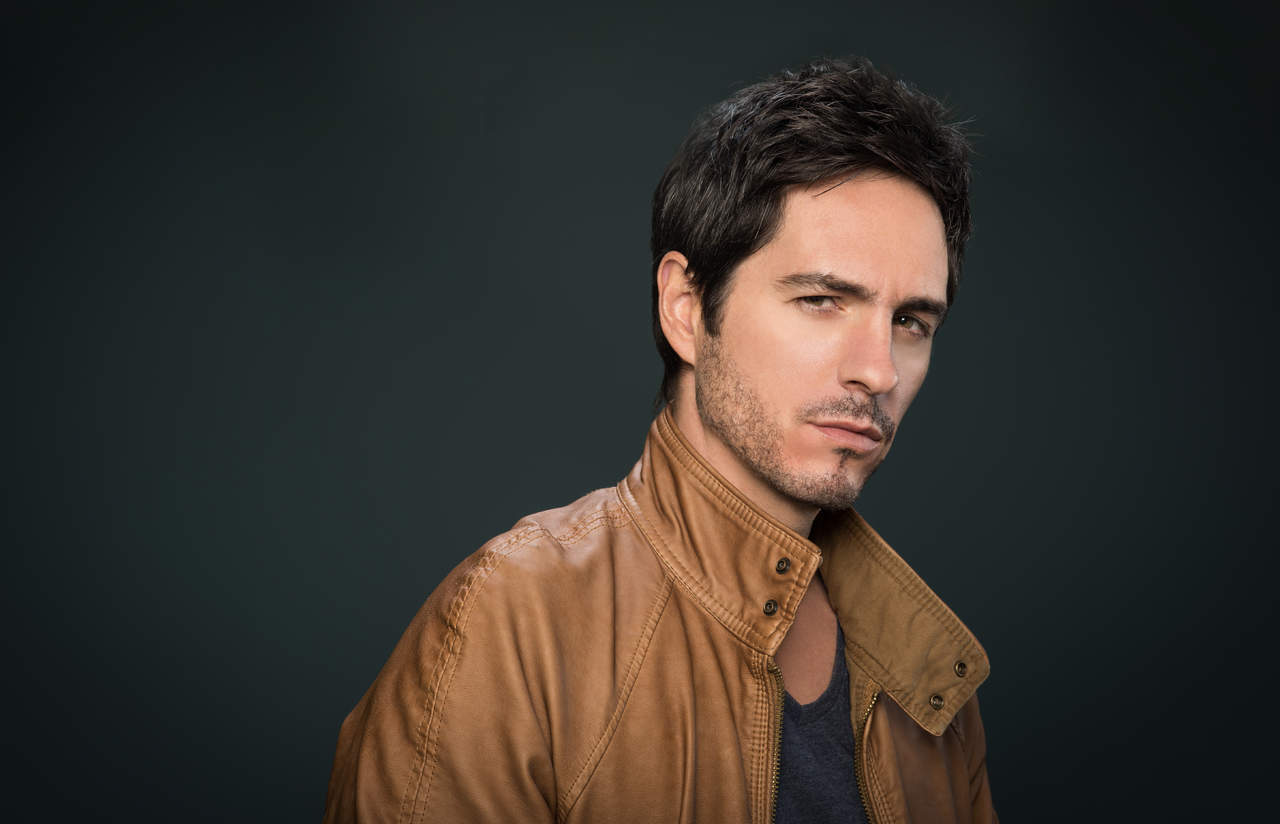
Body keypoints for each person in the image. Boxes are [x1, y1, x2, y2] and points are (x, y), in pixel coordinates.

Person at [324, 56, 996, 823]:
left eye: (910, 321)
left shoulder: (928, 671)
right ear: (685, 308)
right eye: (821, 300)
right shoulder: (510, 627)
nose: (878, 370)